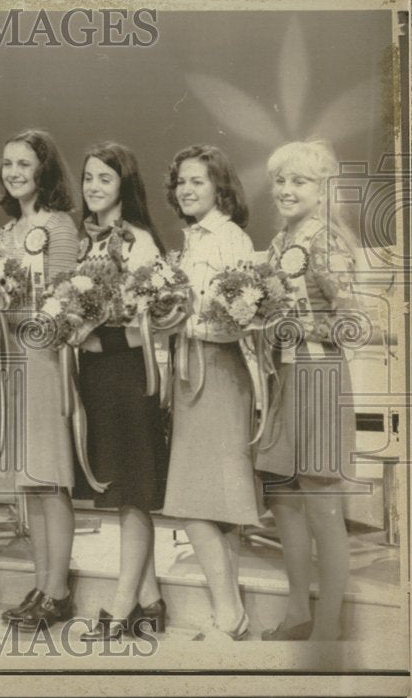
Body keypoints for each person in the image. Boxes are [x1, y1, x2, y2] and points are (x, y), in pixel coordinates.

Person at [255, 140, 358, 641]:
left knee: (321, 504)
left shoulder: (327, 242)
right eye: (280, 180)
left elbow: (357, 322)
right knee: (283, 500)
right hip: (284, 382)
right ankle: (298, 613)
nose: (287, 190)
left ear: (322, 192)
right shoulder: (278, 243)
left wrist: (297, 330)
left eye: (300, 181)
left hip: (320, 380)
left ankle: (331, 625)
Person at [161, 145, 261, 641]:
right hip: (190, 376)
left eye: (197, 181)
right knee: (207, 499)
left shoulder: (229, 239)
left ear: (220, 187)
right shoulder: (192, 240)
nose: (186, 189)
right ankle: (232, 610)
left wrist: (187, 322)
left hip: (220, 375)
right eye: (181, 181)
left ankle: (227, 607)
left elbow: (239, 320)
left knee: (206, 499)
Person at [72, 142, 170, 641]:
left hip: (129, 372)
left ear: (123, 186)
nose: (93, 187)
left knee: (134, 494)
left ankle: (121, 604)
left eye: (104, 179)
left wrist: (98, 329)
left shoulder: (139, 241)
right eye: (88, 177)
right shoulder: (84, 239)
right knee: (121, 490)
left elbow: (151, 318)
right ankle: (151, 598)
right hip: (95, 374)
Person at [0, 129, 82, 632]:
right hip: (9, 361)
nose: (13, 172)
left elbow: (64, 299)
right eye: (7, 163)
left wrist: (18, 306)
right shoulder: (7, 232)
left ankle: (59, 589)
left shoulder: (59, 225)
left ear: (43, 170)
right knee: (30, 483)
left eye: (24, 164)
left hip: (43, 358)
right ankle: (41, 580)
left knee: (51, 479)